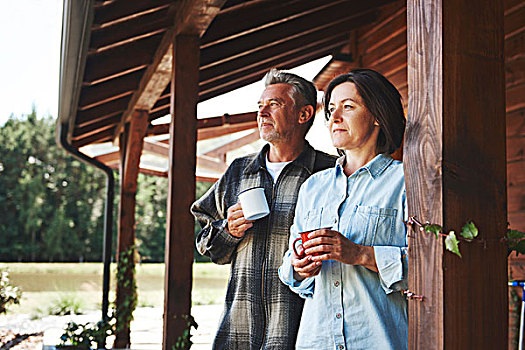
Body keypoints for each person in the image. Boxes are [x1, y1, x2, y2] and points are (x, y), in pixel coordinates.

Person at [191, 69, 336, 350]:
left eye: (274, 105)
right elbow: (206, 243)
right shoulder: (238, 171)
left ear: (304, 115)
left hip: (302, 330)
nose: (262, 113)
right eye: (260, 106)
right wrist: (228, 230)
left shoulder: (329, 172)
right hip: (238, 330)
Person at [278, 68, 408, 350]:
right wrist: (299, 267)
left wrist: (361, 254)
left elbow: (430, 269)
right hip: (316, 341)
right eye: (332, 109)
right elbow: (290, 270)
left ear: (377, 115)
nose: (334, 118)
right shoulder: (313, 188)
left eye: (348, 107)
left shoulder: (406, 182)